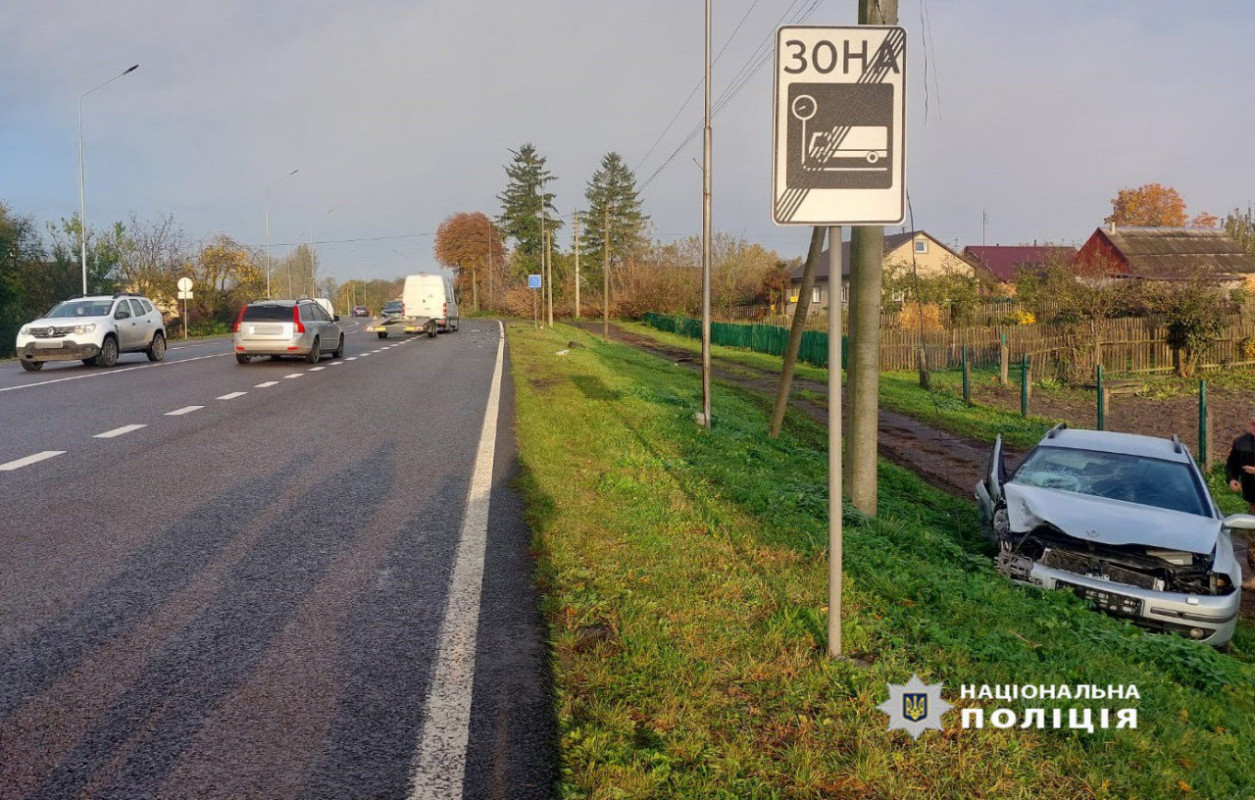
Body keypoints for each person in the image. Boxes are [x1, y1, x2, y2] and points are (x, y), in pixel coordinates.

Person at [1224, 415, 1255, 590]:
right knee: (1254, 539)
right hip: (1253, 498)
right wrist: (1232, 479)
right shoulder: (1241, 443)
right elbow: (1231, 465)